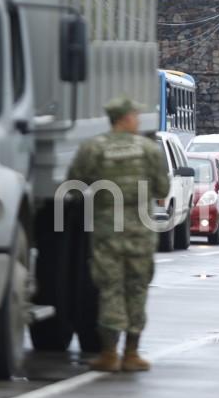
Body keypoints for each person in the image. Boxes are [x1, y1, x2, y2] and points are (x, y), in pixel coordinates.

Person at [67, 96, 170, 372]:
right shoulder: (148, 150)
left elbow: (74, 186)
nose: (137, 120)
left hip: (107, 231)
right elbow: (162, 189)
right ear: (124, 118)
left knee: (109, 288)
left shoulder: (94, 148)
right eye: (134, 115)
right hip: (141, 232)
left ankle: (109, 352)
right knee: (137, 287)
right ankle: (132, 352)